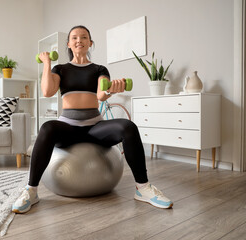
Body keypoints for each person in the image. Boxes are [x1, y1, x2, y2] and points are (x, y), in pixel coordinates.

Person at [12, 25, 173, 213]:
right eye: (74, 38)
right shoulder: (60, 68)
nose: (79, 40)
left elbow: (101, 94)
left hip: (95, 127)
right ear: (68, 44)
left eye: (83, 37)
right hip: (68, 128)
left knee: (128, 126)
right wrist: (46, 63)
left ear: (90, 43)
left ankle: (143, 188)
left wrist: (110, 89)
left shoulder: (99, 69)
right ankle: (31, 190)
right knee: (47, 127)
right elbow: (47, 91)